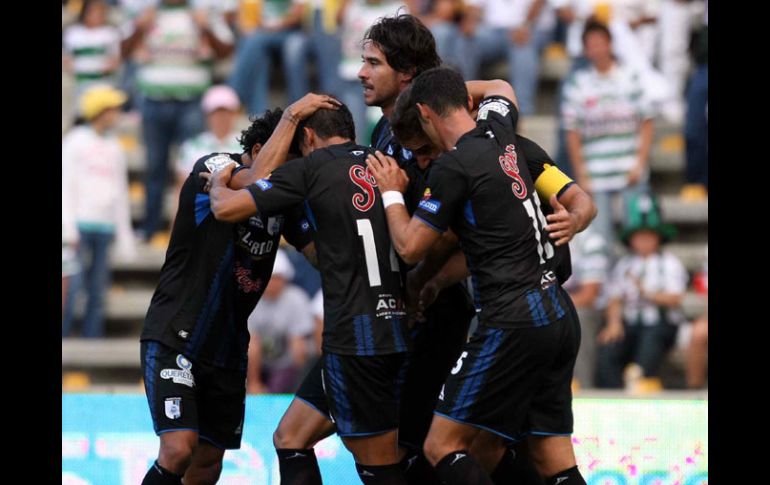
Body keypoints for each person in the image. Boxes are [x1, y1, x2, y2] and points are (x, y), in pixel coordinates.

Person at [367, 67, 588, 485]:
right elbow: (501, 87)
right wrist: (442, 91)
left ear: (426, 115)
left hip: (511, 318)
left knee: (441, 445)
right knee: (549, 456)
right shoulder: (499, 129)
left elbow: (410, 246)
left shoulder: (452, 167)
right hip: (558, 311)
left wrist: (391, 192)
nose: (421, 159)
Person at [208, 102, 412, 484]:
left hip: (357, 339)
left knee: (379, 466)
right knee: (290, 438)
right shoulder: (384, 163)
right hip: (394, 324)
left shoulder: (311, 168)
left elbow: (227, 208)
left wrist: (220, 181)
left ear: (307, 136)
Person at [138, 94, 336, 485]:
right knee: (178, 449)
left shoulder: (283, 203)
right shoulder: (214, 168)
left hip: (227, 349)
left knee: (208, 463)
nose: (296, 177)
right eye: (293, 164)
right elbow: (256, 182)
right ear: (261, 150)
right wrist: (293, 115)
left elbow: (319, 255)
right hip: (177, 336)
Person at [62, 84, 136, 338]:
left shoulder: (114, 146)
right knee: (72, 286)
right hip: (79, 226)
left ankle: (92, 338)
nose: (116, 113)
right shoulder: (74, 141)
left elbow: (120, 191)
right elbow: (66, 185)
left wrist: (125, 235)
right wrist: (68, 226)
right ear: (100, 111)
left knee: (98, 288)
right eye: (112, 108)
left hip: (105, 227)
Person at [595, 192, 687, 390]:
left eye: (649, 236)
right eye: (639, 236)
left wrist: (647, 293)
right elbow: (614, 296)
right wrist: (614, 322)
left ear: (658, 237)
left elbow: (675, 298)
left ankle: (642, 382)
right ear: (631, 239)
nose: (644, 241)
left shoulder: (670, 263)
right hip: (630, 323)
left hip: (661, 324)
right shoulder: (624, 264)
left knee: (651, 339)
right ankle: (611, 392)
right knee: (609, 346)